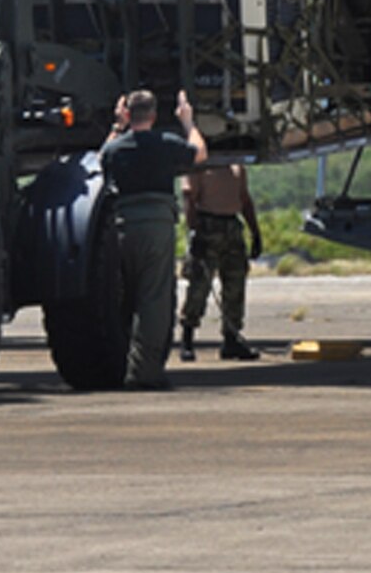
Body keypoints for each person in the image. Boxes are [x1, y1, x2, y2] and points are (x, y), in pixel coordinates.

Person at [98, 87, 206, 391]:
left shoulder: (116, 148)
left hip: (122, 227)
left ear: (128, 114)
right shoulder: (166, 144)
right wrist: (188, 122)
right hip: (156, 227)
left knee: (124, 298)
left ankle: (120, 366)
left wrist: (117, 126)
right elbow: (199, 153)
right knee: (154, 301)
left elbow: (98, 161)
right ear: (155, 116)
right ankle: (144, 373)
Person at [179, 157, 262, 361]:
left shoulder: (236, 165)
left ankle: (231, 339)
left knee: (235, 285)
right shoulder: (199, 165)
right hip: (207, 226)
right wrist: (194, 232)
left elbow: (244, 199)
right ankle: (187, 339)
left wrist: (255, 233)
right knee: (199, 287)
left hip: (232, 227)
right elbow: (190, 199)